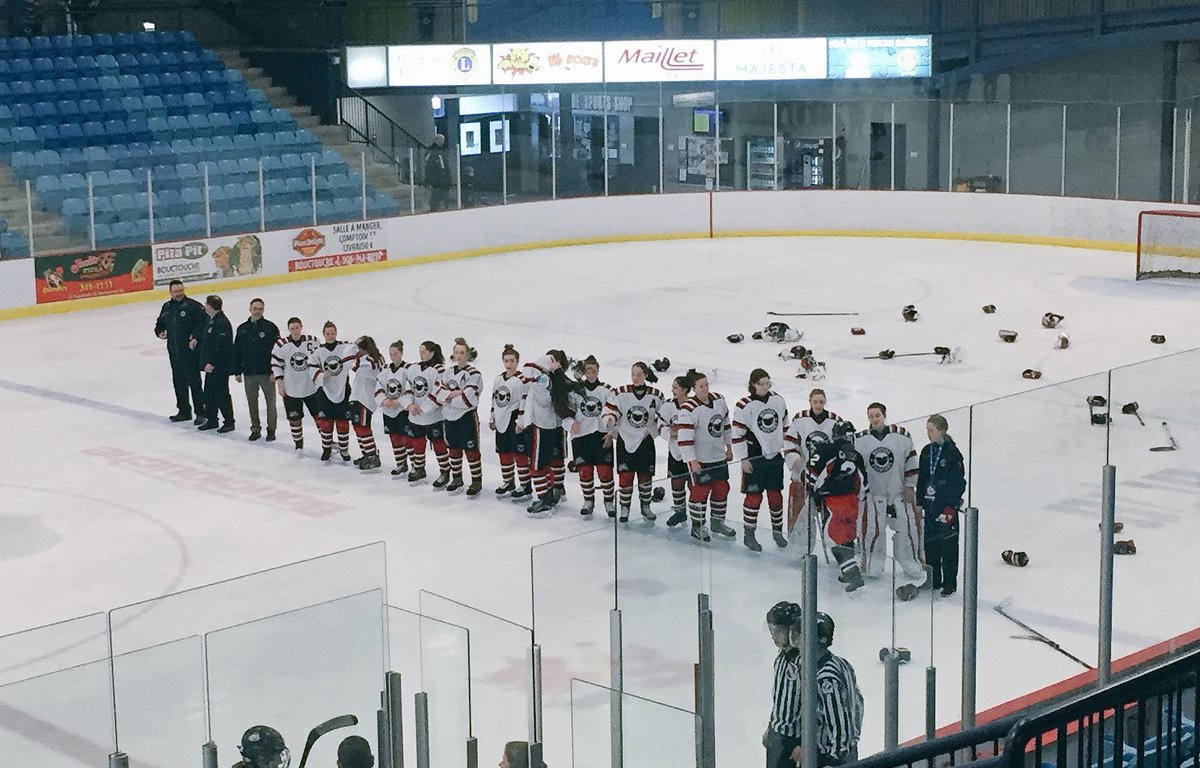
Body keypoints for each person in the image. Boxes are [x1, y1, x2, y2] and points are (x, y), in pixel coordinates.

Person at [854, 403, 924, 593]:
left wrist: (910, 485)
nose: (874, 419)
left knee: (907, 529)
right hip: (873, 495)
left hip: (898, 493)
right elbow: (855, 469)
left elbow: (911, 460)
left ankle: (911, 562)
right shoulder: (859, 440)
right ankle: (872, 565)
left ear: (884, 415)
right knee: (872, 533)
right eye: (871, 416)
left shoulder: (901, 435)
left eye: (877, 415)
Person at [805, 421, 867, 591]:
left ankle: (854, 575)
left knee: (833, 538)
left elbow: (811, 474)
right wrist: (858, 499)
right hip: (851, 501)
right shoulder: (856, 454)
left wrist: (812, 490)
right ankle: (847, 572)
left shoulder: (826, 450)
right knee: (847, 535)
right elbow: (862, 484)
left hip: (832, 501)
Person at [734, 369, 790, 552]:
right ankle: (749, 535)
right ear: (753, 385)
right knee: (754, 497)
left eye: (768, 383)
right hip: (755, 457)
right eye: (761, 383)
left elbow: (785, 426)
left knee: (775, 497)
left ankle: (777, 532)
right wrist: (743, 458)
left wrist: (788, 450)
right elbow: (737, 435)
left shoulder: (778, 400)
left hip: (774, 457)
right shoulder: (743, 405)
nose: (765, 387)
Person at [798, 612, 863, 767]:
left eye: (801, 634)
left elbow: (840, 722)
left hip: (831, 756)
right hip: (832, 752)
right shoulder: (839, 662)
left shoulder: (826, 677)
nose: (797, 639)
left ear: (819, 640)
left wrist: (835, 759)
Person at [604, 362, 664, 523]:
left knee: (645, 476)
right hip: (625, 439)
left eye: (638, 374)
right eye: (633, 374)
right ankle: (625, 508)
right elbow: (612, 410)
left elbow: (663, 416)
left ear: (645, 375)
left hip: (645, 441)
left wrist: (655, 431)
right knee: (626, 476)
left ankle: (646, 507)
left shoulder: (656, 395)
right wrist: (610, 421)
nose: (635, 378)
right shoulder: (621, 393)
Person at [677, 369, 733, 542]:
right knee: (700, 492)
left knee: (722, 488)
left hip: (718, 456)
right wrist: (692, 461)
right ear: (693, 389)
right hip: (701, 459)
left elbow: (725, 425)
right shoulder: (688, 409)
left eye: (707, 385)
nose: (705, 389)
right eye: (701, 386)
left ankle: (717, 522)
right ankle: (697, 526)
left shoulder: (719, 400)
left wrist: (728, 447)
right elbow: (684, 439)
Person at [784, 389, 844, 549]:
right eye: (815, 401)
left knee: (829, 518)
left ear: (825, 402)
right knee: (799, 517)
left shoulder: (834, 420)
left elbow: (841, 447)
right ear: (810, 401)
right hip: (801, 478)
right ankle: (798, 551)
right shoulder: (800, 418)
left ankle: (836, 551)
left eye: (821, 401)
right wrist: (800, 468)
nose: (818, 405)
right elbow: (790, 444)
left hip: (825, 480)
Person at [517, 349, 573, 515]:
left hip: (542, 426)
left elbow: (527, 369)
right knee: (551, 460)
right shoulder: (553, 380)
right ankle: (553, 492)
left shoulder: (545, 381)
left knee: (538, 464)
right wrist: (520, 420)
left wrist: (547, 363)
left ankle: (545, 498)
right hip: (548, 424)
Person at [917, 414, 966, 597]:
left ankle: (949, 583)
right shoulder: (926, 451)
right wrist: (919, 502)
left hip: (945, 506)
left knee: (948, 544)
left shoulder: (952, 452)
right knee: (931, 544)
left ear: (941, 430)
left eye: (932, 429)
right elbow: (922, 479)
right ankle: (933, 579)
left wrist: (951, 505)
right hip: (930, 506)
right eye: (927, 429)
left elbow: (959, 482)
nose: (928, 433)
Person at [565, 356, 617, 517]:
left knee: (605, 472)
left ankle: (609, 503)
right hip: (581, 437)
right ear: (584, 372)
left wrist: (610, 428)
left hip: (601, 436)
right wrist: (570, 424)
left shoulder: (606, 389)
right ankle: (588, 501)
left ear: (598, 371)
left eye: (593, 370)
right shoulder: (575, 390)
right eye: (588, 370)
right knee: (585, 472)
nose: (591, 373)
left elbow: (615, 410)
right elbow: (564, 412)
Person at [437, 337, 485, 496]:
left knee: (471, 450)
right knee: (453, 449)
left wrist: (448, 397)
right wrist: (453, 394)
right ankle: (457, 478)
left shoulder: (474, 373)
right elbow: (438, 394)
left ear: (468, 354)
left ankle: (476, 481)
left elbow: (468, 399)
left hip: (466, 418)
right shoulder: (447, 371)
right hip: (449, 418)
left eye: (462, 352)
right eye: (456, 352)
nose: (459, 355)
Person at [154, 279, 206, 423]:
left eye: (180, 291)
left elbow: (203, 324)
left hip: (190, 353)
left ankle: (201, 412)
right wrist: (160, 332)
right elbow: (160, 324)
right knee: (179, 382)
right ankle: (184, 411)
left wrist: (195, 336)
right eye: (175, 292)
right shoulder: (166, 307)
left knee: (194, 383)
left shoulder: (193, 306)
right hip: (174, 352)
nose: (178, 294)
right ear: (170, 292)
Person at [308, 320, 358, 462]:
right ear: (323, 334)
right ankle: (326, 449)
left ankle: (344, 449)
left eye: (333, 333)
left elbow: (356, 351)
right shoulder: (319, 351)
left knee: (343, 422)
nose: (330, 336)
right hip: (324, 391)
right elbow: (311, 369)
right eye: (328, 333)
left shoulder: (344, 348)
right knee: (326, 423)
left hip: (343, 389)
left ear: (336, 333)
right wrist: (322, 375)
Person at [232, 297, 280, 442]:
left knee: (271, 403)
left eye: (260, 309)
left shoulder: (270, 327)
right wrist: (237, 371)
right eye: (255, 309)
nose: (257, 311)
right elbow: (237, 350)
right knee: (252, 403)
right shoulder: (242, 329)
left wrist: (275, 371)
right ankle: (255, 429)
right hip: (249, 373)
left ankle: (271, 429)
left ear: (263, 310)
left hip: (267, 373)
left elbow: (277, 351)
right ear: (250, 309)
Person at [763, 601, 802, 768]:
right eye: (771, 629)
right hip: (777, 737)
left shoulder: (804, 661)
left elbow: (815, 706)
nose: (773, 635)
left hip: (795, 742)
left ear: (791, 630)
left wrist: (806, 744)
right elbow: (779, 700)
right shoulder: (781, 658)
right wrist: (771, 727)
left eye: (777, 630)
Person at [271, 317, 320, 452]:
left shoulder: (313, 341)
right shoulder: (281, 344)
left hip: (311, 387)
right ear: (288, 329)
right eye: (292, 328)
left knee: (319, 417)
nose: (295, 331)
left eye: (297, 328)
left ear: (301, 327)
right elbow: (276, 364)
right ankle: (298, 444)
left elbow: (320, 359)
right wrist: (279, 383)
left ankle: (326, 443)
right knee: (294, 419)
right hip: (291, 388)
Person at [405, 341, 450, 485]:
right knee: (417, 441)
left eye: (424, 351)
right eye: (420, 351)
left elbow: (439, 391)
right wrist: (409, 404)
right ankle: (419, 468)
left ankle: (445, 471)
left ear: (431, 353)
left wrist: (424, 407)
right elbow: (407, 387)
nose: (421, 354)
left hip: (433, 416)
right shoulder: (413, 368)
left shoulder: (440, 370)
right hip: (416, 415)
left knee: (438, 443)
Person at [491, 344, 532, 500]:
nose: (509, 364)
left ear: (517, 361)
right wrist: (492, 417)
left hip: (514, 419)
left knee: (519, 454)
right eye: (506, 361)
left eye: (512, 360)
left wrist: (520, 421)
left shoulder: (522, 380)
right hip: (501, 419)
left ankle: (525, 485)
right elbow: (494, 399)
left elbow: (524, 401)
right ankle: (508, 482)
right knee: (504, 452)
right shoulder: (498, 379)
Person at [195, 294, 235, 433]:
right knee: (209, 394)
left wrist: (212, 363)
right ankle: (212, 419)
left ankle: (229, 421)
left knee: (221, 394)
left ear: (210, 306)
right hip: (210, 366)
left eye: (206, 304)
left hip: (219, 367)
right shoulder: (211, 321)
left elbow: (221, 347)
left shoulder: (221, 323)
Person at [658, 374, 693, 528]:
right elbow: (660, 424)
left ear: (685, 390)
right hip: (675, 451)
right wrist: (669, 433)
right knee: (677, 483)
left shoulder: (694, 406)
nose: (672, 390)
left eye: (676, 388)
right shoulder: (668, 406)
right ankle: (680, 512)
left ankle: (697, 516)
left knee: (694, 484)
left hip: (692, 451)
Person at [375, 340, 412, 476]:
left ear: (401, 353)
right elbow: (378, 386)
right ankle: (400, 463)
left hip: (402, 410)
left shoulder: (408, 369)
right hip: (389, 411)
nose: (393, 356)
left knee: (406, 438)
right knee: (394, 438)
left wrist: (400, 402)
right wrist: (384, 400)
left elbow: (410, 389)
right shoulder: (385, 369)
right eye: (391, 354)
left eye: (395, 353)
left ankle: (415, 466)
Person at [350, 335, 384, 471]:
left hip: (366, 398)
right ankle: (367, 453)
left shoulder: (371, 360)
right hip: (359, 396)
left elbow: (354, 366)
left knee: (363, 427)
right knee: (358, 426)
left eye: (359, 348)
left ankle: (372, 455)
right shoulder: (368, 358)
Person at [425, 134, 452, 211]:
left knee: (441, 197)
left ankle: (439, 208)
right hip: (438, 181)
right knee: (438, 197)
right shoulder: (434, 152)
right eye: (442, 141)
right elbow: (441, 167)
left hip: (440, 180)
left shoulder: (438, 152)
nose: (443, 143)